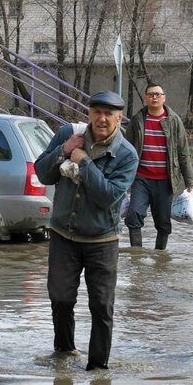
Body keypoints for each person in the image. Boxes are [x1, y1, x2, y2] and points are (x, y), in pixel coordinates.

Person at [34, 91, 139, 370]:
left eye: (109, 114)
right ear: (89, 113)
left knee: (102, 306)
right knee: (60, 298)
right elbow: (42, 173)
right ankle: (65, 355)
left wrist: (83, 160)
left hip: (102, 240)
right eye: (97, 112)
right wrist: (64, 150)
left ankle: (97, 370)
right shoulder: (69, 133)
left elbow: (107, 196)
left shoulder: (127, 154)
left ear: (119, 118)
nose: (102, 119)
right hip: (63, 236)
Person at [123, 83, 193, 249]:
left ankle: (160, 257)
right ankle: (137, 256)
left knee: (163, 222)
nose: (154, 97)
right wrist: (121, 176)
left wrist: (190, 182)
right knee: (134, 216)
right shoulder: (137, 120)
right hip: (141, 178)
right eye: (150, 94)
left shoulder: (174, 121)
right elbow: (126, 150)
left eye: (157, 94)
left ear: (164, 97)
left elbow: (183, 152)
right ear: (145, 98)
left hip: (165, 180)